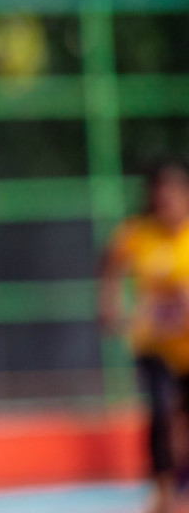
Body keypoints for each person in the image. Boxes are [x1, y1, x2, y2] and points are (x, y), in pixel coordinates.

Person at [99, 159, 189, 513]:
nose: (165, 201)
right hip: (153, 344)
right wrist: (109, 306)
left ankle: (183, 489)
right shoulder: (137, 232)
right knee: (161, 413)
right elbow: (110, 264)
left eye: (173, 194)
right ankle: (163, 489)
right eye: (159, 194)